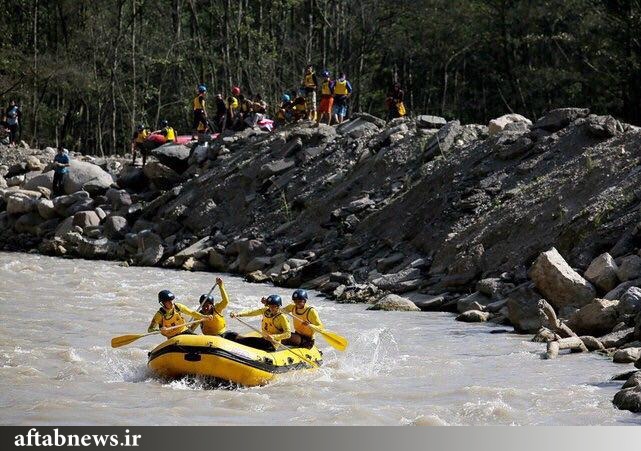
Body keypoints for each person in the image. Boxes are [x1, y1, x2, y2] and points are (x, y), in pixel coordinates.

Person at [148, 289, 212, 339]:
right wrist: (160, 330)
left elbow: (192, 313)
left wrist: (204, 316)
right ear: (163, 303)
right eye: (168, 301)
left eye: (172, 300)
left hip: (184, 331)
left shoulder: (178, 307)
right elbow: (150, 329)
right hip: (172, 337)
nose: (171, 303)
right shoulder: (159, 315)